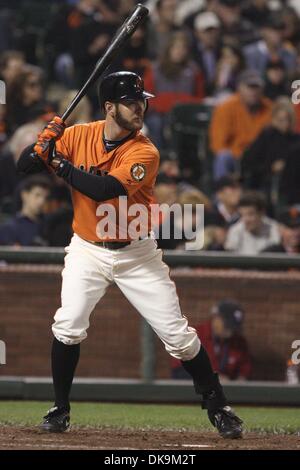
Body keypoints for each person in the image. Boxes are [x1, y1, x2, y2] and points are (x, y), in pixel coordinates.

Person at [17, 71, 243, 438]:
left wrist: (57, 163)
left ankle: (218, 406)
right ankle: (59, 408)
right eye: (131, 102)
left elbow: (105, 189)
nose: (141, 107)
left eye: (142, 101)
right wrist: (42, 141)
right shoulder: (78, 135)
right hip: (87, 249)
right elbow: (23, 167)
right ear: (109, 107)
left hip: (136, 254)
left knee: (178, 337)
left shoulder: (145, 150)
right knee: (68, 325)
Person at [209, 70, 272, 179]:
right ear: (239, 88)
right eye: (249, 87)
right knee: (223, 157)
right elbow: (218, 144)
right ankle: (222, 193)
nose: (253, 91)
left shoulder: (270, 108)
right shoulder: (226, 108)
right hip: (235, 156)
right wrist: (240, 156)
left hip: (261, 158)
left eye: (256, 87)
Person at [171, 300, 252, 381]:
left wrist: (240, 382)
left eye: (233, 328)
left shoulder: (239, 341)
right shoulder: (193, 336)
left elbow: (245, 371)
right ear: (216, 319)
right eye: (227, 326)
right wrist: (211, 379)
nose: (230, 332)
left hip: (227, 392)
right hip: (195, 391)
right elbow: (179, 372)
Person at [0, 175, 51, 246]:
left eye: (45, 197)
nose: (42, 201)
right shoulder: (9, 229)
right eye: (37, 195)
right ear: (25, 195)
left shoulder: (49, 226)